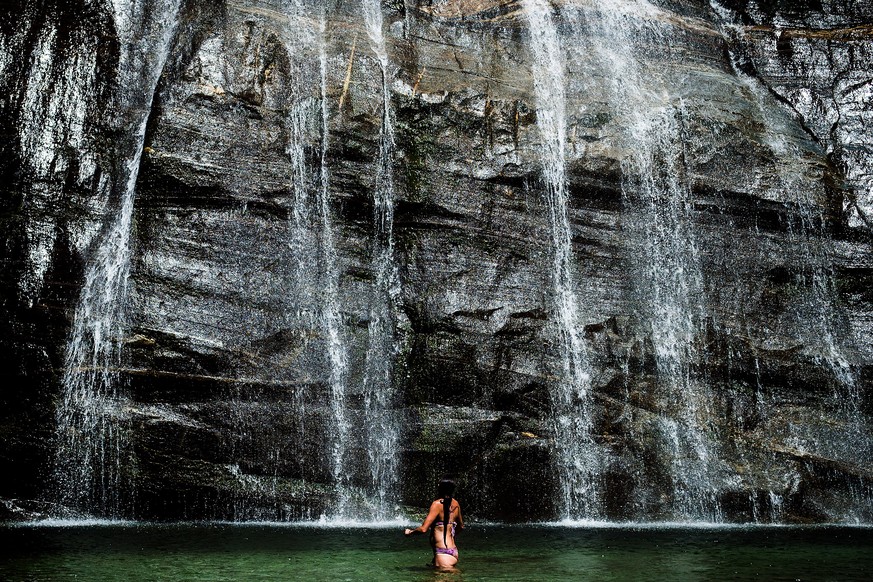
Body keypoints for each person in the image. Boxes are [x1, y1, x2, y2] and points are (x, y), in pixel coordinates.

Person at [404, 478, 464, 570]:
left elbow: (423, 529)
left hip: (442, 554)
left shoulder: (436, 504)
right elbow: (461, 527)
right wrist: (449, 536)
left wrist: (410, 532)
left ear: (440, 490)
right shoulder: (456, 504)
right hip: (453, 551)